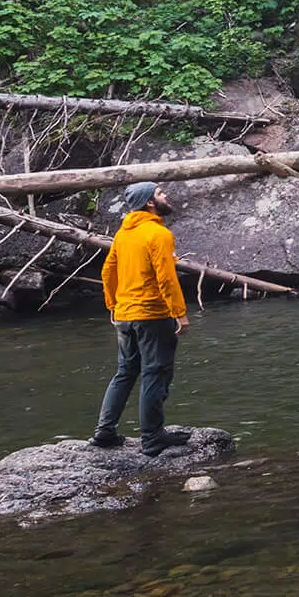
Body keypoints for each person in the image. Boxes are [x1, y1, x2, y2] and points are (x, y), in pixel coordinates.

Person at [92, 180, 193, 455]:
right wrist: (179, 314)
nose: (166, 196)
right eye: (160, 193)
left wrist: (113, 304)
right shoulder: (158, 234)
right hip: (151, 314)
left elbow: (107, 271)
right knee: (155, 372)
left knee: (125, 372)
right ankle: (152, 437)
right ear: (150, 202)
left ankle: (105, 432)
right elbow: (166, 278)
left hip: (125, 314)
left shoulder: (123, 234)